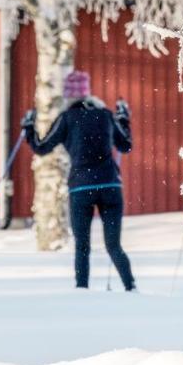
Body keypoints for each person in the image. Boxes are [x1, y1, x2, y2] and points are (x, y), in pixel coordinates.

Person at [22, 70, 137, 292]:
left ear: (68, 96)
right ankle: (131, 287)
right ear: (87, 93)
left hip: (81, 188)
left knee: (82, 246)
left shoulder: (66, 119)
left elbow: (41, 146)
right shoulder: (105, 114)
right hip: (110, 186)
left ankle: (82, 290)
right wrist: (123, 118)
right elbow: (126, 145)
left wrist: (29, 127)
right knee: (113, 245)